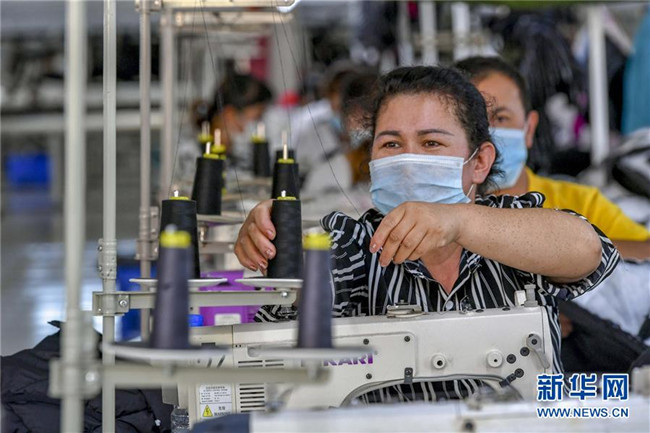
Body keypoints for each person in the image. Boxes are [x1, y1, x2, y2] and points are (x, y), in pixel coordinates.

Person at [235, 66, 619, 401]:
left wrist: (458, 222)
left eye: (431, 142)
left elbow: (588, 250)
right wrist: (279, 250)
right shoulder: (355, 246)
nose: (407, 161)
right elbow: (271, 343)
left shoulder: (512, 230)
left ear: (480, 162)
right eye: (391, 143)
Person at [455, 56, 650, 260]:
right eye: (474, 121)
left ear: (529, 128)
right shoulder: (440, 210)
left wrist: (568, 251)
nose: (488, 133)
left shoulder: (581, 203)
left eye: (501, 118)